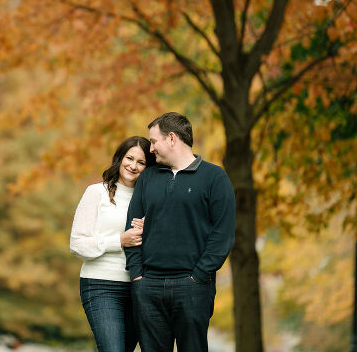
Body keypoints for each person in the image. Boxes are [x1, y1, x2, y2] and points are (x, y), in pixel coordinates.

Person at [124, 112, 236, 352]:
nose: (150, 149)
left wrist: (198, 275)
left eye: (154, 141)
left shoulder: (215, 177)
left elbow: (222, 234)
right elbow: (131, 227)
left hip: (193, 286)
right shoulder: (148, 178)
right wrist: (137, 276)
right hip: (148, 286)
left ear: (172, 138)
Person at [70, 136, 156, 352]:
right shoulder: (96, 192)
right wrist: (119, 241)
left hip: (138, 288)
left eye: (141, 162)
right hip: (101, 285)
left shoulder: (151, 201)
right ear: (120, 158)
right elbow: (77, 243)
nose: (133, 166)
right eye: (129, 158)